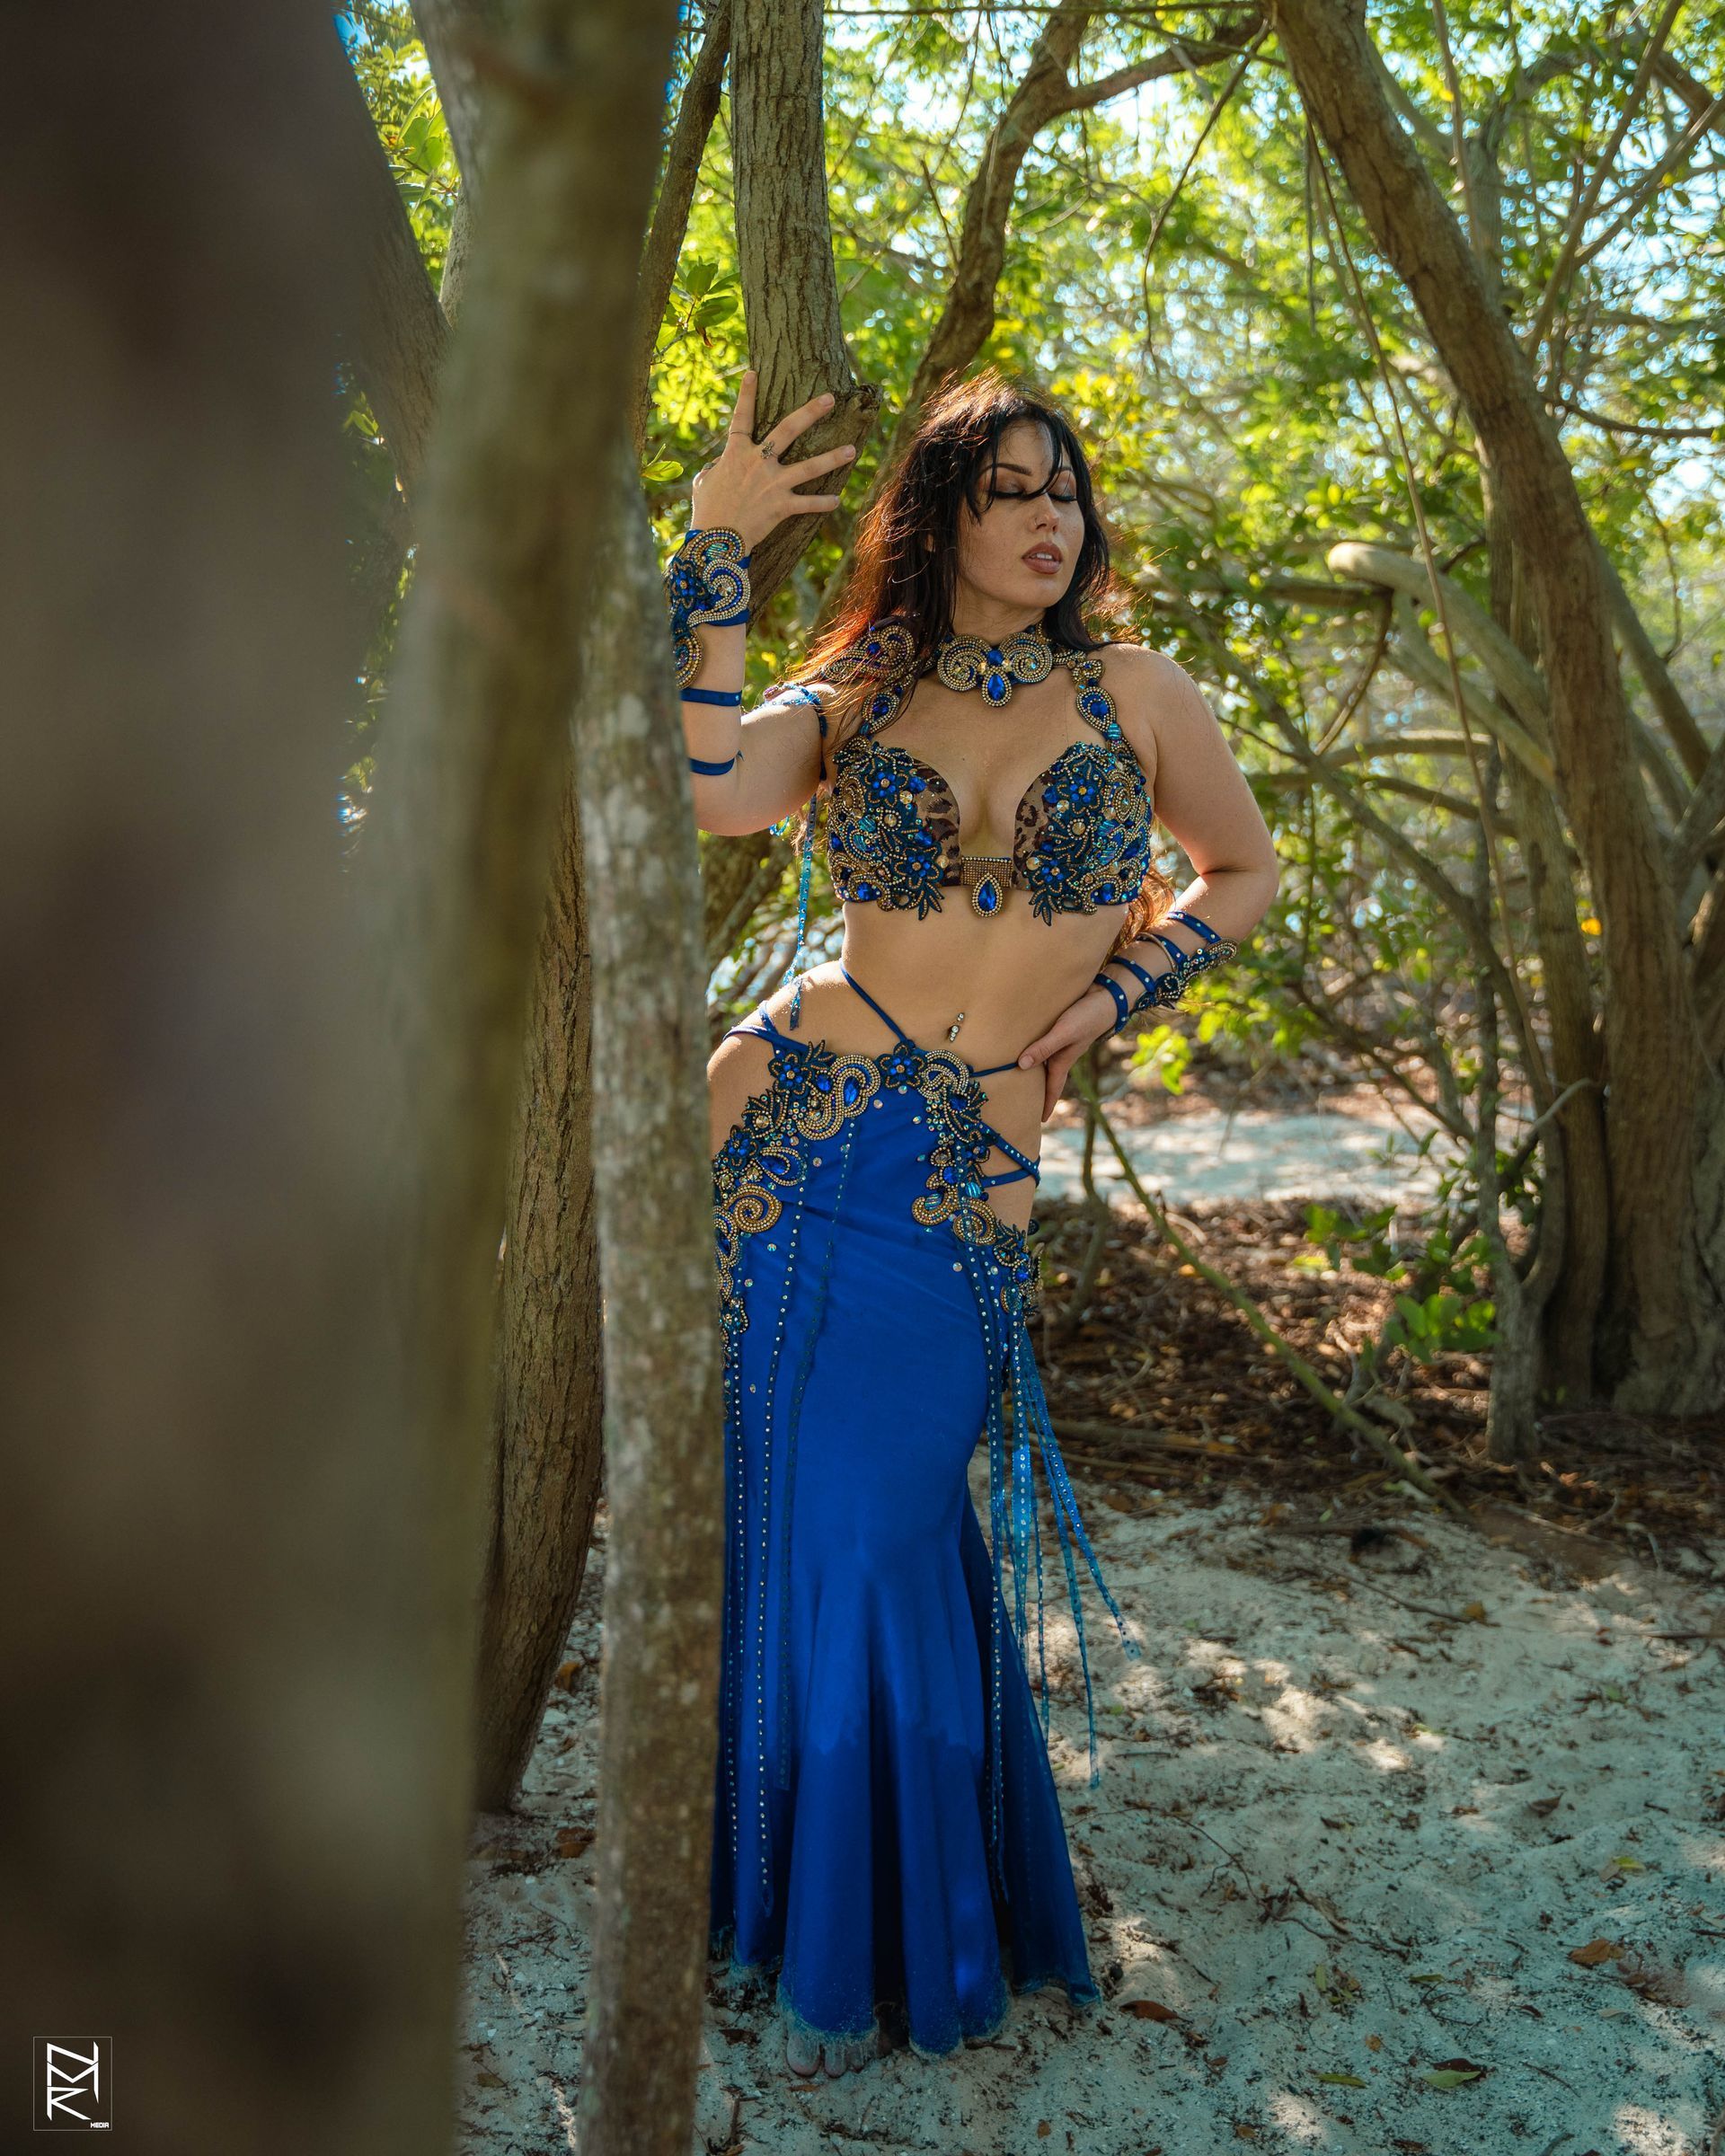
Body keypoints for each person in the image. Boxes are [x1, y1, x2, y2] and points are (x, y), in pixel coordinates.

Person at [663, 363, 1278, 2079]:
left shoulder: (1138, 689)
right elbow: (712, 787)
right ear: (941, 517)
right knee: (796, 1537)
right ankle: (800, 1917)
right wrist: (715, 552)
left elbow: (1244, 872)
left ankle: (898, 1920)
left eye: (1062, 489)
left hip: (964, 1179)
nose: (1045, 517)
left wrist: (1116, 998)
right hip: (785, 1131)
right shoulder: (867, 684)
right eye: (1008, 489)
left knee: (889, 1535)